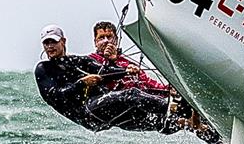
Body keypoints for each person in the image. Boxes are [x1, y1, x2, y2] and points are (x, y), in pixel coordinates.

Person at [34, 23, 175, 134]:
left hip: (101, 109)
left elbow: (104, 71)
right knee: (131, 94)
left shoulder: (76, 60)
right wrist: (82, 83)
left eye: (53, 42)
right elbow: (56, 96)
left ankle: (187, 122)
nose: (50, 46)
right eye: (46, 43)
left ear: (63, 41)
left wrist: (125, 71)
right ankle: (172, 108)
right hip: (87, 113)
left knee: (149, 118)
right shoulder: (43, 69)